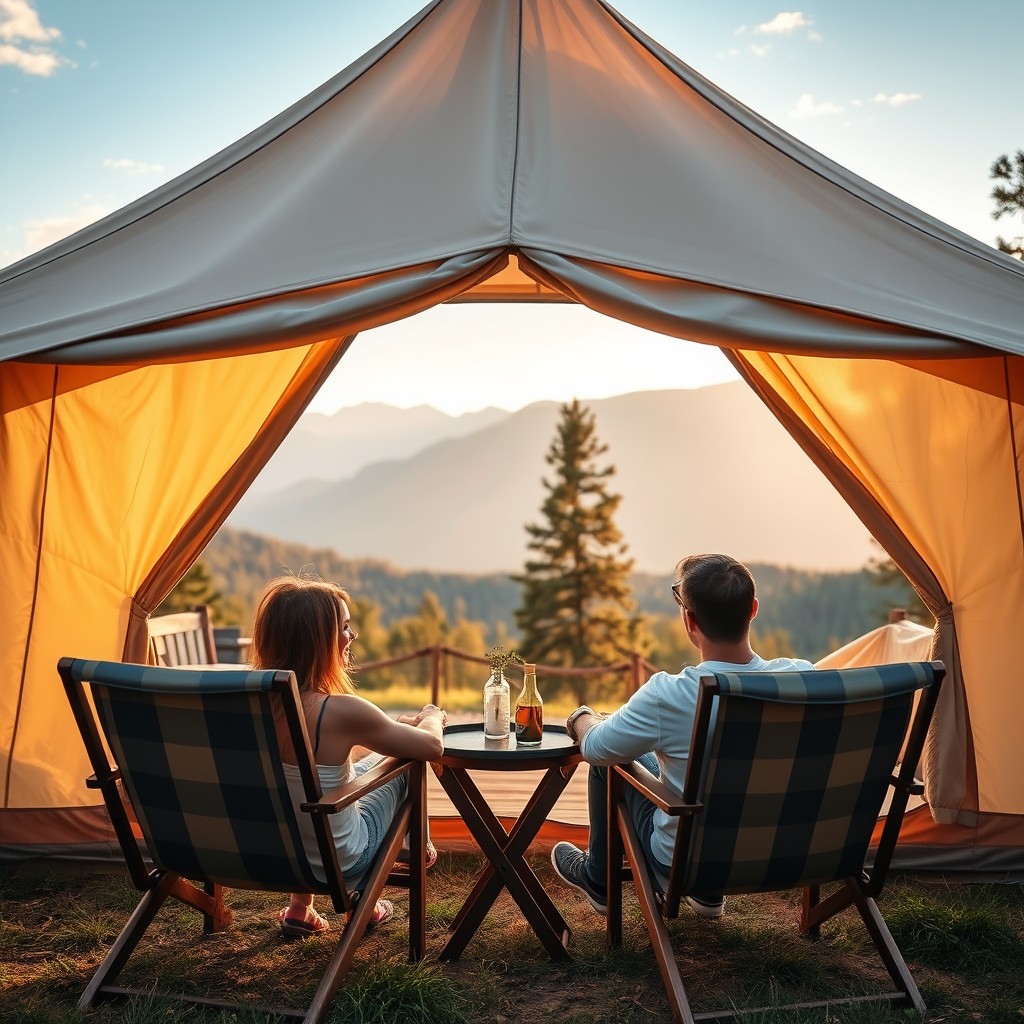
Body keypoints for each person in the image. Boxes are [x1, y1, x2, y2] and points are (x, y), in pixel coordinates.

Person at [551, 553, 815, 919]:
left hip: (685, 860)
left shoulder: (670, 694)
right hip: (785, 853)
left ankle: (598, 877)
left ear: (690, 620)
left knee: (609, 762)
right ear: (753, 609)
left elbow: (595, 748)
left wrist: (583, 717)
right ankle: (708, 896)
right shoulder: (802, 678)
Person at [250, 575, 446, 939]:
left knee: (327, 779)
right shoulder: (339, 711)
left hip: (261, 854)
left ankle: (299, 907)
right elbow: (432, 747)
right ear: (318, 640)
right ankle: (397, 868)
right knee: (407, 761)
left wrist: (396, 727)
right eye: (344, 627)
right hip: (338, 861)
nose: (351, 636)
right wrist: (432, 716)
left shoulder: (243, 704)